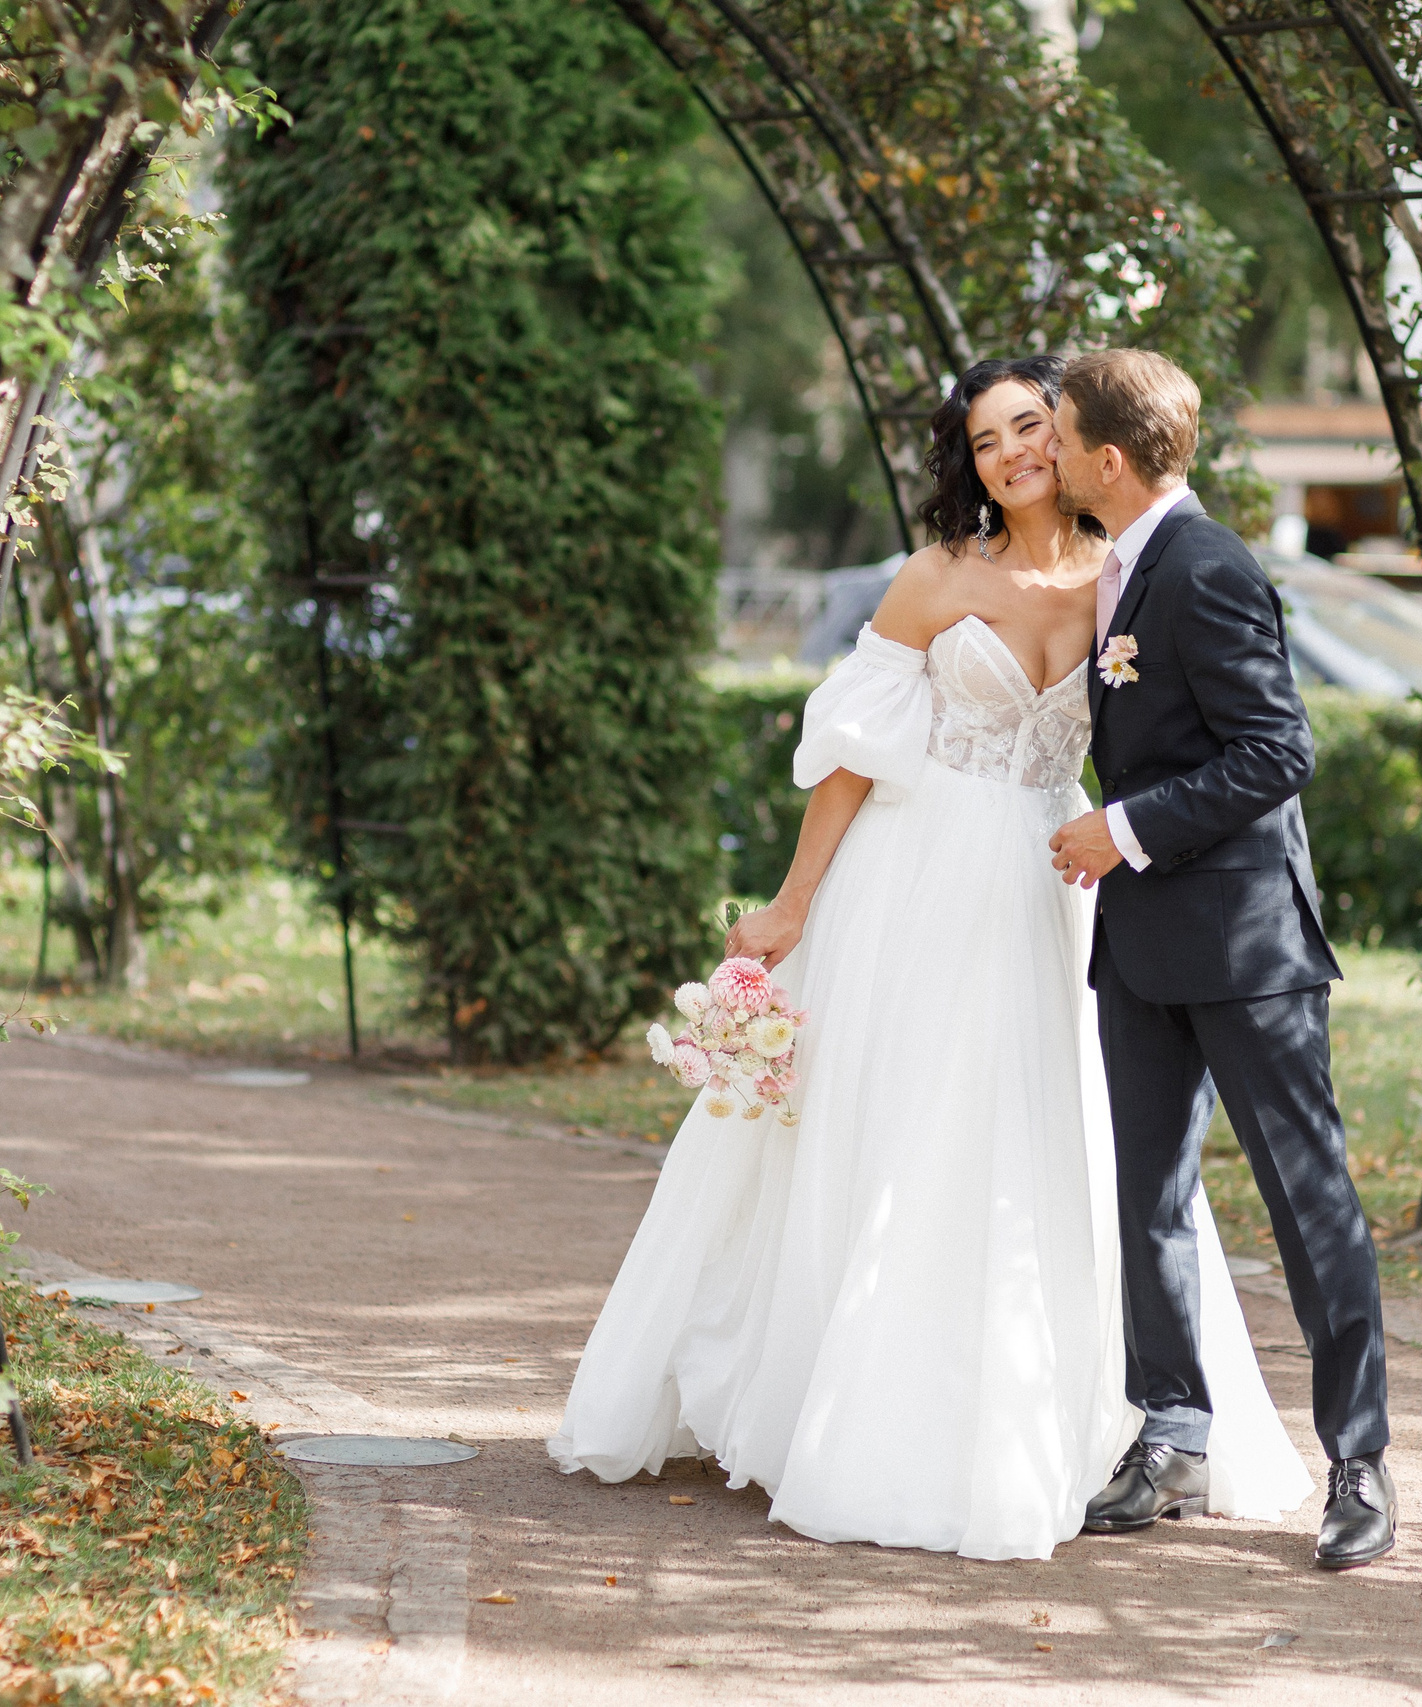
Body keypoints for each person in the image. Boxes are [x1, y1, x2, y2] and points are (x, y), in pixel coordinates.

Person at [546, 354, 1312, 1562]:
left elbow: (1188, 737)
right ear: (969, 462)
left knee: (1054, 1135)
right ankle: (850, 1409)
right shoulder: (937, 575)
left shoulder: (1133, 576)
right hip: (917, 873)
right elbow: (855, 750)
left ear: (1071, 440)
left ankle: (1115, 1418)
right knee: (904, 1126)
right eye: (989, 439)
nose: (1014, 454)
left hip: (1054, 877)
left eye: (1031, 428)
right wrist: (794, 903)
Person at [1045, 348, 1396, 1570]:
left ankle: (1358, 1462)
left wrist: (1122, 830)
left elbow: (1275, 752)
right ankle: (1171, 1431)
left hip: (1245, 948)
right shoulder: (1114, 569)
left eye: (1058, 435)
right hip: (1140, 952)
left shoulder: (1205, 568)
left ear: (1108, 458)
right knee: (1147, 1203)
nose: (1040, 454)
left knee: (1310, 1207)